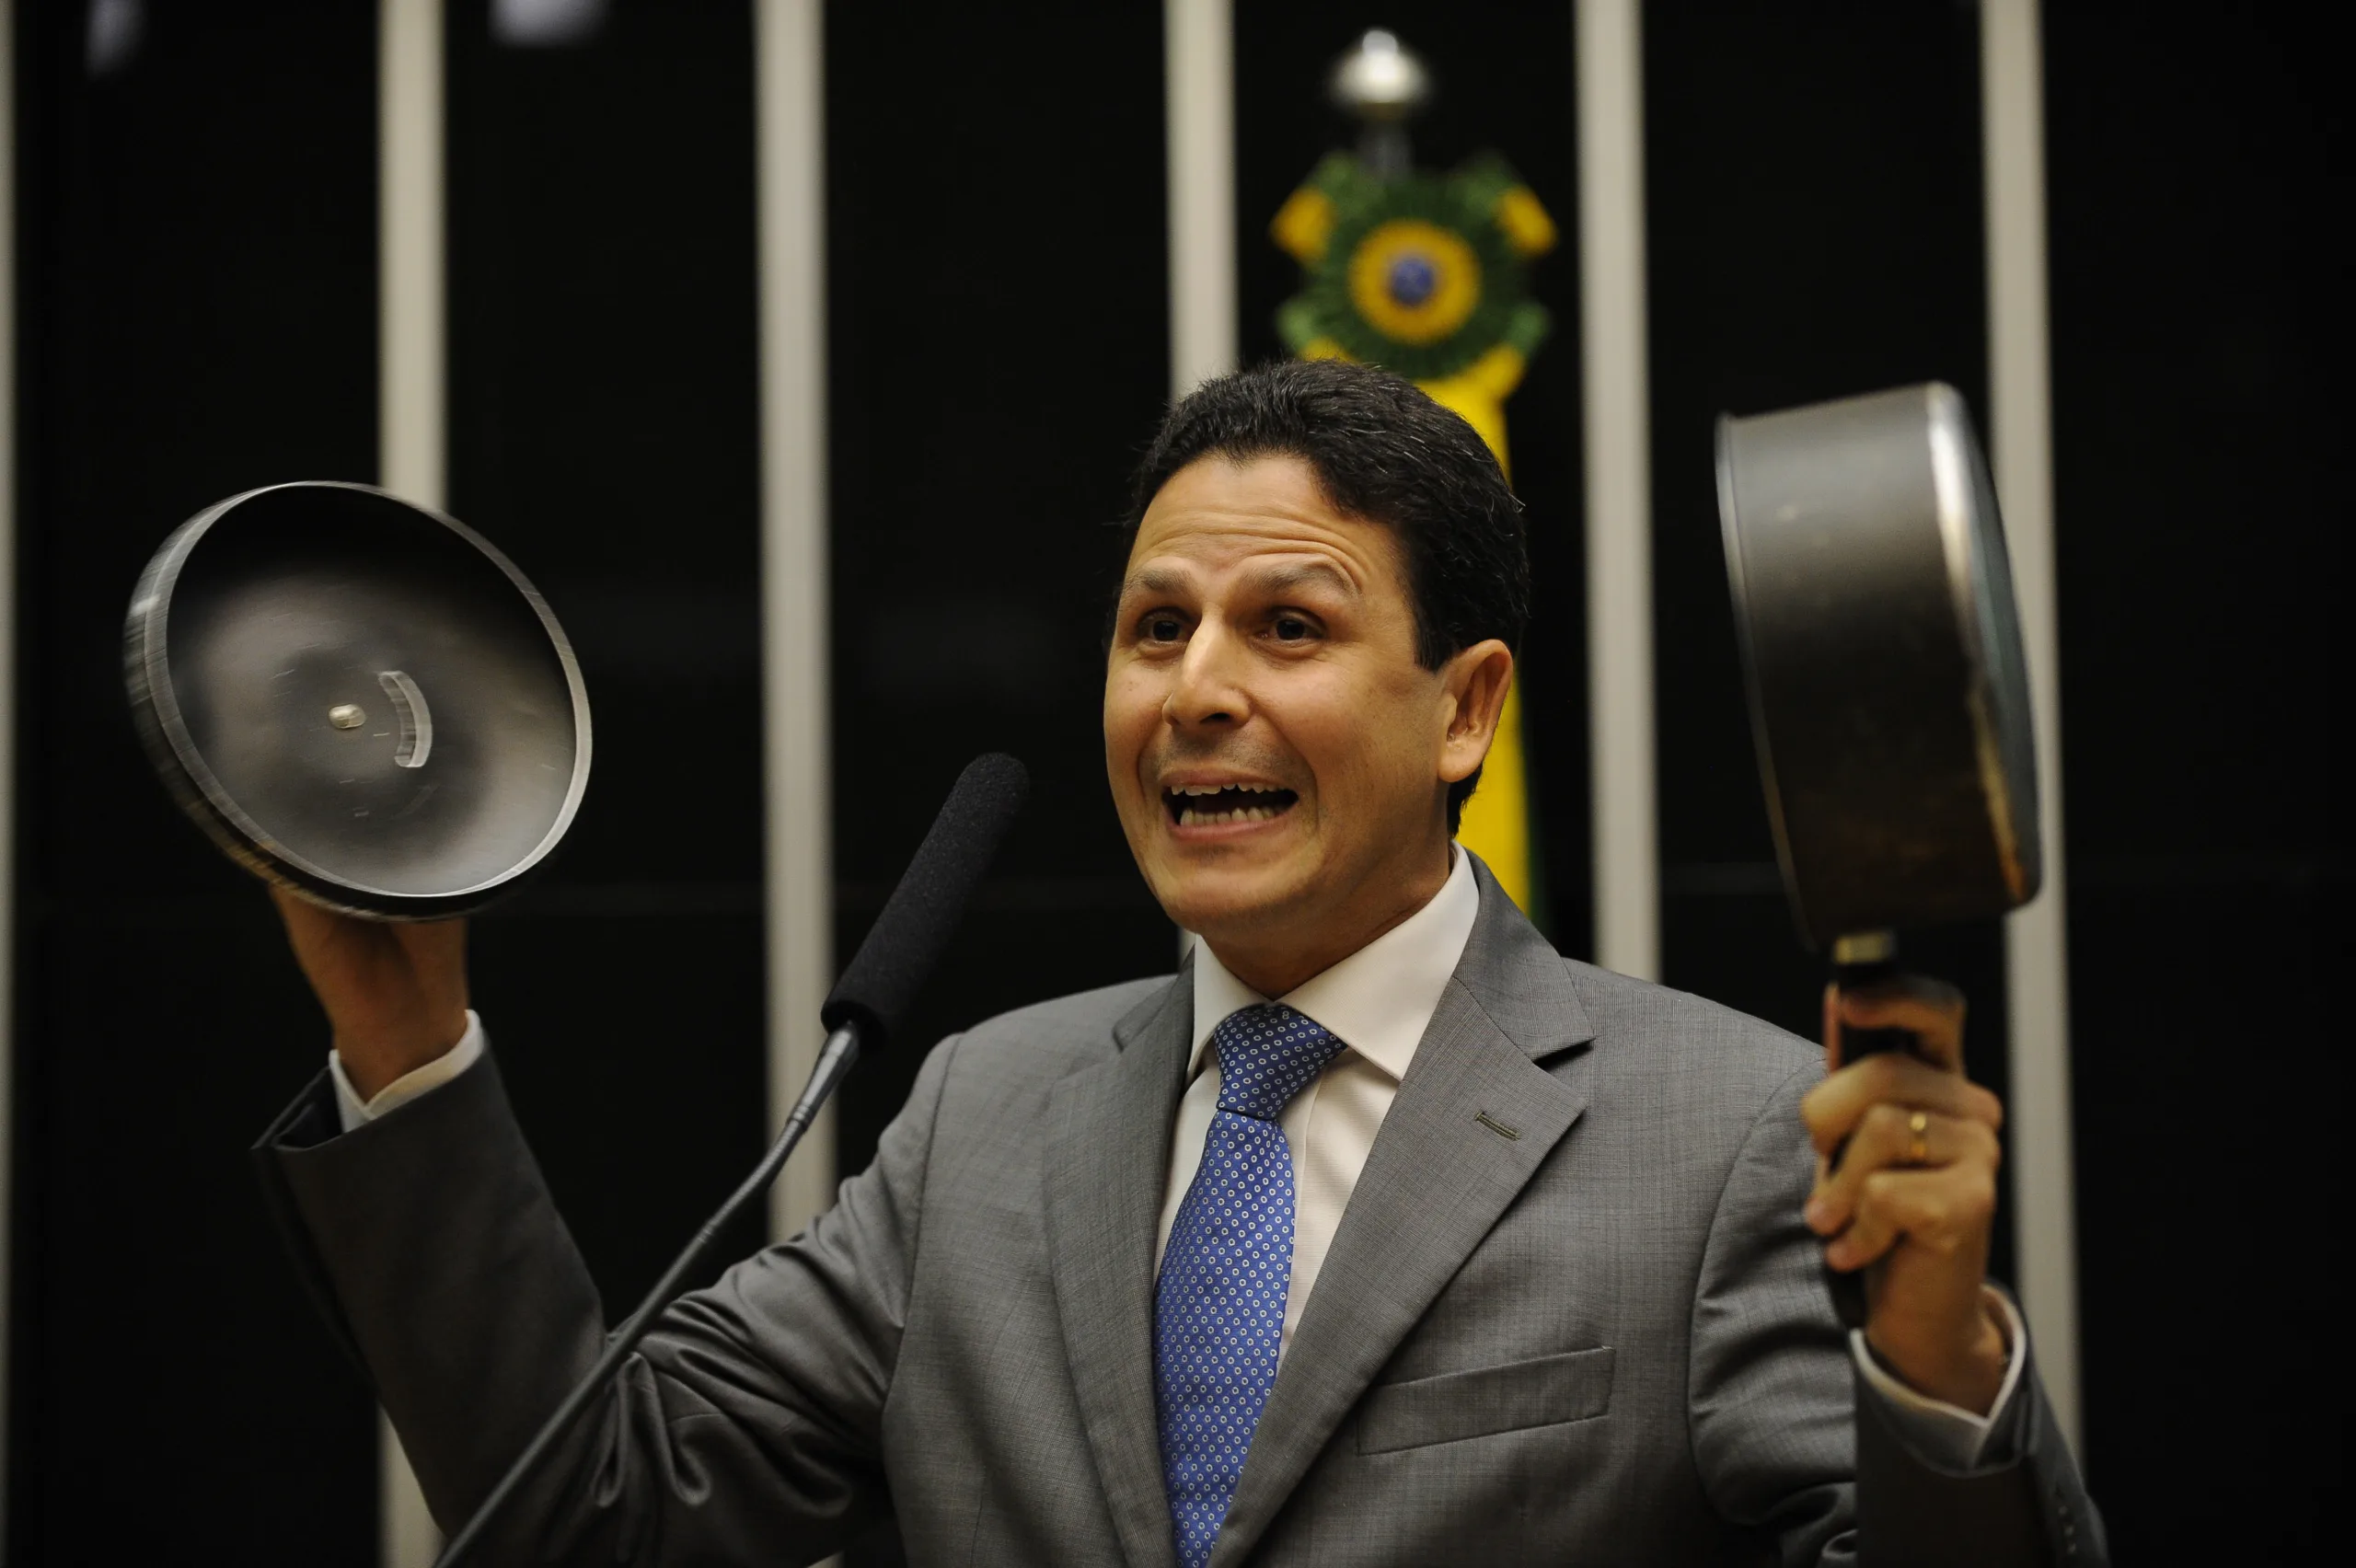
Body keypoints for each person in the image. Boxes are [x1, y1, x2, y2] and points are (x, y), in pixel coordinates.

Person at [260, 360, 2103, 1566]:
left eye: (1285, 624)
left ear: (1463, 711)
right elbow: (588, 1513)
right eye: (1155, 627)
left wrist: (1933, 1359)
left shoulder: (1725, 1131)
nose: (1195, 688)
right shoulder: (983, 1115)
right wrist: (407, 1041)